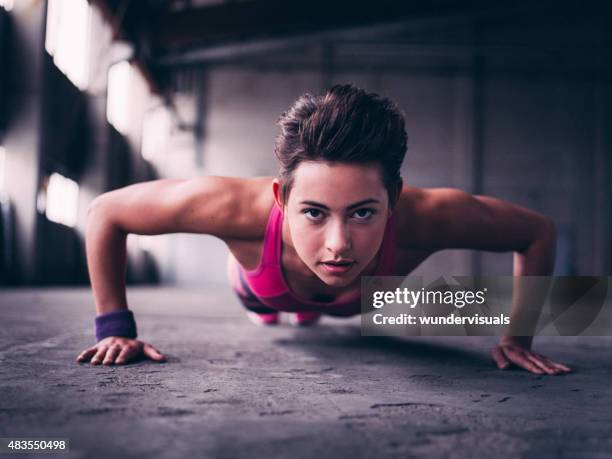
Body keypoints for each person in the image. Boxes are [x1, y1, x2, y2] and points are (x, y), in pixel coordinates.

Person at [76, 84, 571, 375]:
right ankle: (283, 313)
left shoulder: (427, 216)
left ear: (393, 200)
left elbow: (537, 232)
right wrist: (114, 328)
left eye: (362, 213)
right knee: (271, 308)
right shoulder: (230, 207)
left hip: (360, 300)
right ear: (281, 198)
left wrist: (518, 337)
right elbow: (105, 213)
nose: (338, 245)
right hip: (261, 292)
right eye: (313, 212)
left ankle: (311, 310)